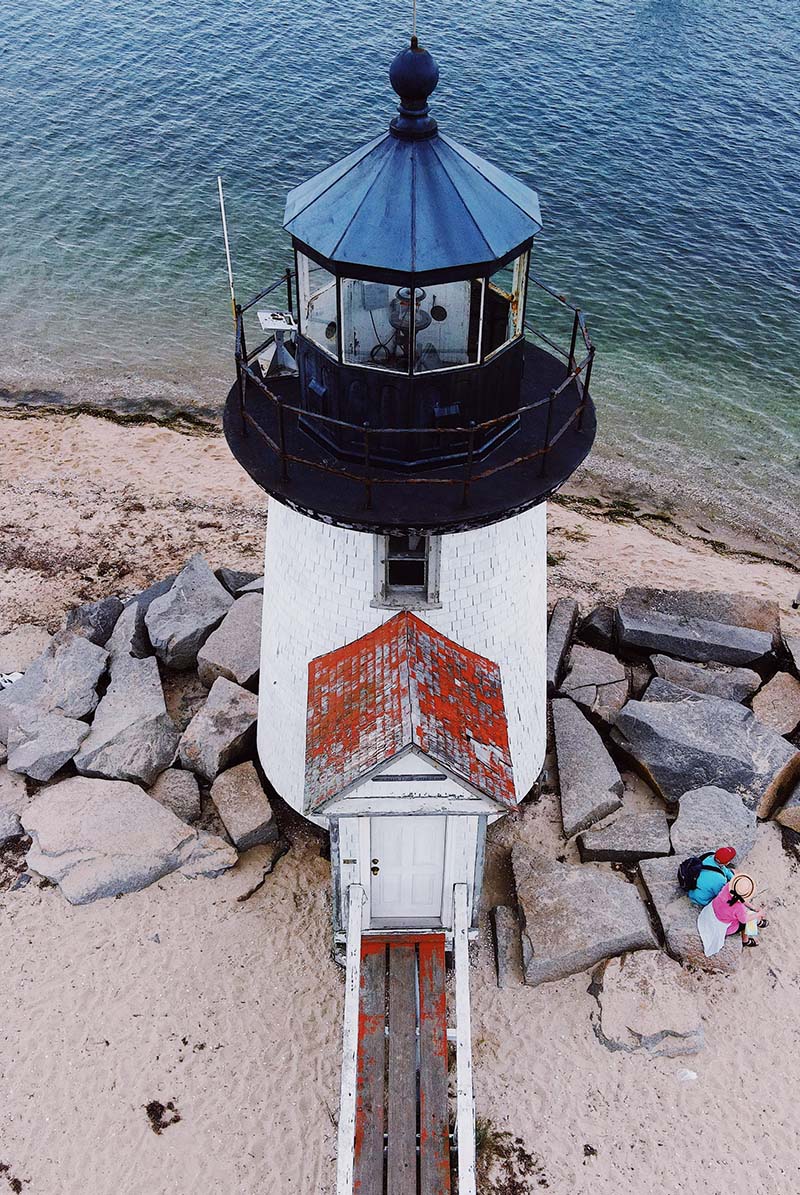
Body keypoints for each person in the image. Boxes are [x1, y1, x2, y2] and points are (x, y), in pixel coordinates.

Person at [697, 873, 769, 955]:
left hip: (713, 912)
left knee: (750, 914)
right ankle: (746, 940)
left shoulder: (727, 887)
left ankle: (758, 922)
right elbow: (744, 920)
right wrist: (759, 913)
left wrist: (753, 907)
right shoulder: (739, 907)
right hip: (723, 925)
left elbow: (740, 898)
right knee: (749, 920)